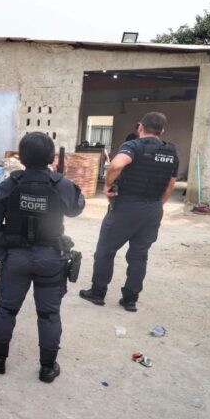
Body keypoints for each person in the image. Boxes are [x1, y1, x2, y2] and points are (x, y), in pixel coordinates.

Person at [0, 132, 85, 383]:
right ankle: (48, 368)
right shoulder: (60, 184)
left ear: (22, 157)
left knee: (7, 309)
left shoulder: (9, 184)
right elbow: (76, 209)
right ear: (51, 157)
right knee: (49, 314)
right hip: (50, 259)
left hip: (15, 258)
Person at [80, 112, 178, 312]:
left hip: (126, 208)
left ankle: (98, 293)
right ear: (162, 131)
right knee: (139, 255)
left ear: (140, 127)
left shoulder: (133, 146)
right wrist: (157, 205)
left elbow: (116, 164)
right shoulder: (171, 152)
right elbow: (170, 186)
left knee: (105, 251)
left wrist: (108, 185)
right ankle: (130, 300)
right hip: (153, 209)